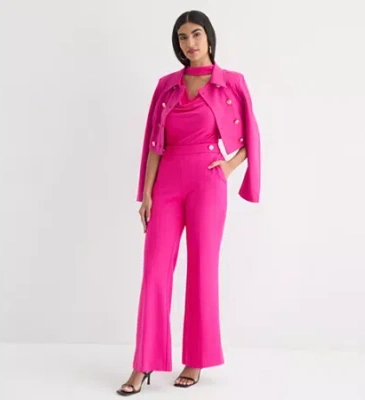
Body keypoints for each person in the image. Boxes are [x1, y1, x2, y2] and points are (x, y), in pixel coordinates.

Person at [116, 9, 261, 396]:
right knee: (154, 271)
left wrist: (228, 167)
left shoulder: (232, 82)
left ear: (209, 37)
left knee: (202, 268)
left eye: (196, 34)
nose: (190, 43)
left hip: (207, 183)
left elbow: (251, 137)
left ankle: (196, 359)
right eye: (182, 37)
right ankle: (143, 363)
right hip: (166, 182)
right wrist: (146, 193)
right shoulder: (166, 85)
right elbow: (154, 143)